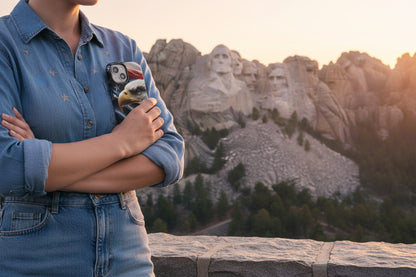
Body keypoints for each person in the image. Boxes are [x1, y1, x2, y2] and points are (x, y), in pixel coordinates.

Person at [0, 0, 184, 276]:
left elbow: (168, 156)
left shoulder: (120, 49)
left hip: (128, 260)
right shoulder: (6, 44)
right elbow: (8, 166)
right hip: (35, 260)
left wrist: (48, 168)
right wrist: (120, 143)